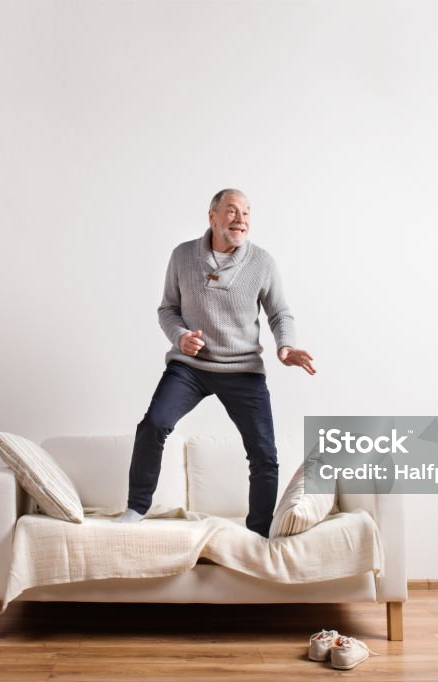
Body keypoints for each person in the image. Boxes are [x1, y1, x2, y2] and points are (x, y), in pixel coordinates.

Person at [114, 188, 315, 536]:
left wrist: (285, 347)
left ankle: (259, 533)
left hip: (242, 370)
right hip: (190, 368)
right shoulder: (183, 256)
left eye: (247, 213)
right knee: (154, 424)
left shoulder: (262, 262)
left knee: (264, 453)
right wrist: (180, 336)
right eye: (232, 211)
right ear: (212, 216)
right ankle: (135, 508)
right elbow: (168, 309)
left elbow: (280, 313)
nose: (241, 220)